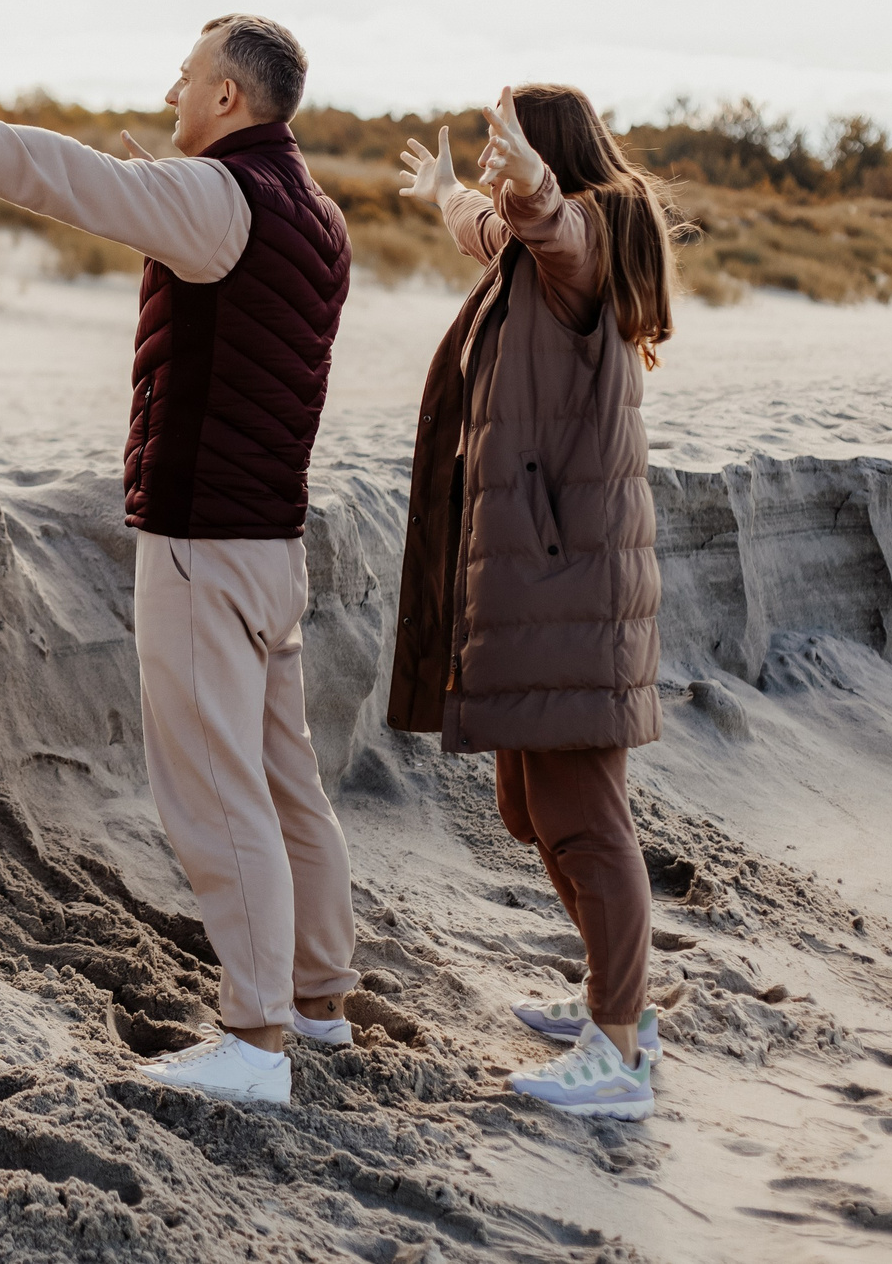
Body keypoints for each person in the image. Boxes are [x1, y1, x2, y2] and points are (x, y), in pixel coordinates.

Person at [0, 17, 358, 1106]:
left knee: (218, 791)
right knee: (287, 781)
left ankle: (255, 1041)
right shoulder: (317, 213)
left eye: (188, 76)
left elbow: (65, 175)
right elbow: (223, 281)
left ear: (228, 98)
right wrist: (166, 190)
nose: (172, 87)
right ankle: (316, 1005)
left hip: (203, 543)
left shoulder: (219, 201)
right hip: (272, 545)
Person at [387, 83, 679, 1121]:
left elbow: (552, 226)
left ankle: (620, 1048)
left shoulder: (584, 244)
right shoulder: (528, 256)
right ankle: (615, 998)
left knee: (584, 820)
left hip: (570, 586)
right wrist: (447, 190)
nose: (490, 160)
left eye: (503, 143)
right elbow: (494, 228)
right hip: (543, 582)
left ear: (548, 153)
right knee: (532, 809)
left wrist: (530, 183)